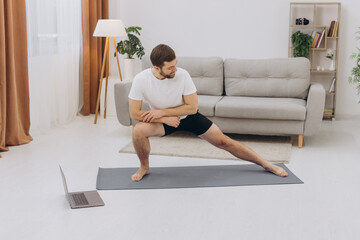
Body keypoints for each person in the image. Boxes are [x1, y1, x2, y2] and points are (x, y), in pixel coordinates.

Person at [128, 44, 288, 182]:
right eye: (170, 67)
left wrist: (161, 112)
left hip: (188, 118)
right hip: (164, 122)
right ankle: (144, 167)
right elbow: (134, 113)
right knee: (138, 131)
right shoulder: (141, 79)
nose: (175, 69)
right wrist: (164, 118)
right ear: (157, 68)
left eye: (175, 64)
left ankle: (266, 164)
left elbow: (192, 107)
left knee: (224, 142)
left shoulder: (182, 75)